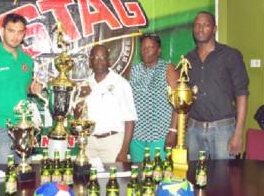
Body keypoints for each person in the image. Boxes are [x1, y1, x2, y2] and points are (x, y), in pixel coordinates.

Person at [0, 13, 41, 164]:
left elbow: (22, 88)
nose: (15, 36)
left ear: (24, 33)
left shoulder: (27, 60)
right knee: (1, 179)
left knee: (24, 177)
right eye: (11, 31)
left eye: (20, 32)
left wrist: (31, 88)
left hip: (24, 128)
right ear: (2, 30)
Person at [185, 11, 249, 160]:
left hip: (223, 131)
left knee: (224, 180)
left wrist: (238, 134)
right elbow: (186, 98)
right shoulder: (188, 59)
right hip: (193, 131)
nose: (201, 29)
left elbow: (242, 94)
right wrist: (181, 132)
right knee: (194, 179)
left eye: (206, 25)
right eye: (197, 25)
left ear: (214, 29)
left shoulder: (231, 55)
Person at [74, 44, 137, 163]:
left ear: (109, 61)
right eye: (96, 58)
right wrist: (81, 98)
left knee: (112, 180)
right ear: (90, 61)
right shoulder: (85, 84)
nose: (99, 61)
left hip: (112, 142)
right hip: (89, 142)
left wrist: (124, 151)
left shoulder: (120, 83)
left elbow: (130, 120)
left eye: (103, 58)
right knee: (87, 179)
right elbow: (78, 118)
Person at [127, 33, 179, 162]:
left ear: (159, 50)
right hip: (136, 135)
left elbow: (179, 102)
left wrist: (173, 131)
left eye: (150, 47)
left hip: (161, 134)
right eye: (143, 47)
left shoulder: (168, 68)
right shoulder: (133, 70)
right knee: (138, 175)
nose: (146, 50)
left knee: (159, 175)